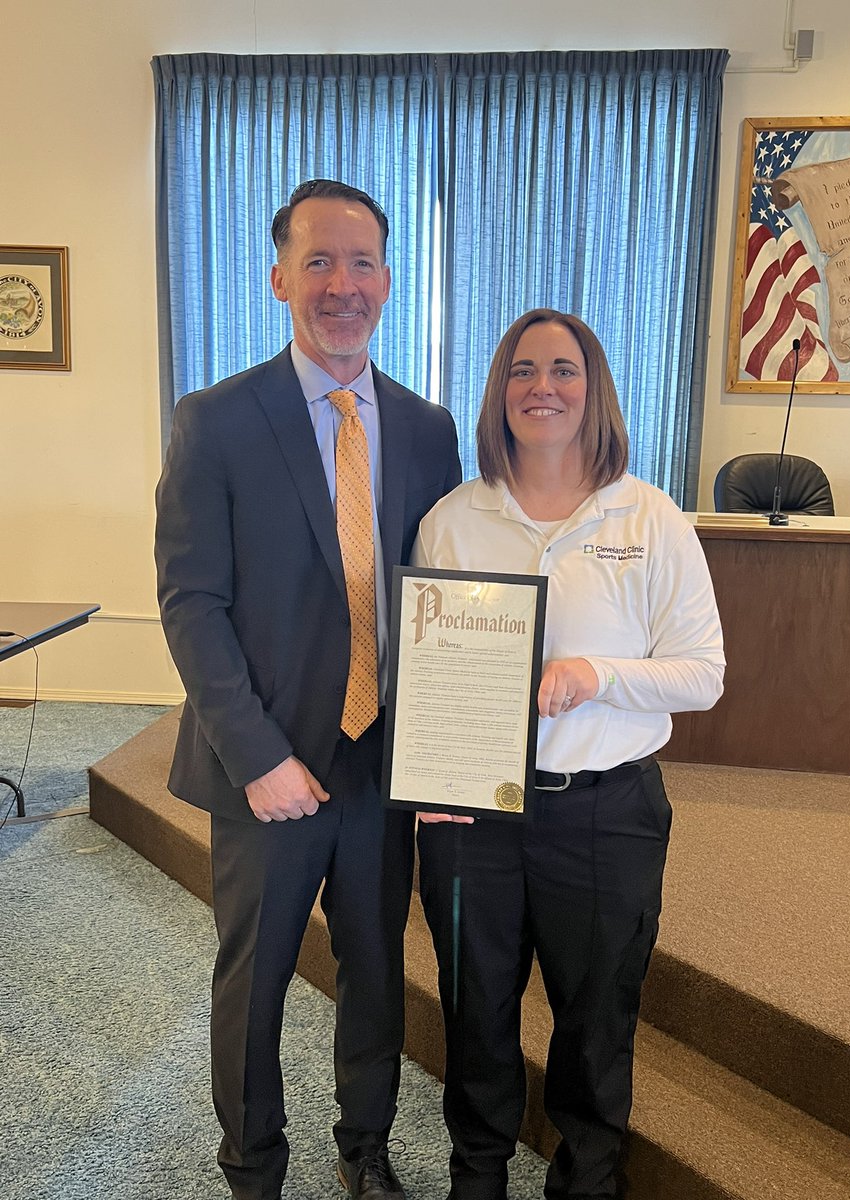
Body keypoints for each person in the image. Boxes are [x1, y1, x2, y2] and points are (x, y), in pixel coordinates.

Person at [154, 179, 461, 1200]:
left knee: (376, 972)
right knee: (256, 984)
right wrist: (258, 756)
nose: (342, 285)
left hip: (382, 763)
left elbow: (443, 597)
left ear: (387, 279)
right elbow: (193, 603)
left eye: (362, 262)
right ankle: (253, 1168)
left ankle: (364, 1150)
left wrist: (459, 745)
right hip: (269, 768)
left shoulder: (427, 428)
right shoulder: (216, 422)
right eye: (319, 262)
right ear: (279, 275)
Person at [413, 309, 724, 1199]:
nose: (541, 387)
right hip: (473, 816)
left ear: (595, 392)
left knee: (594, 1023)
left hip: (605, 812)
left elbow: (702, 674)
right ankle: (476, 1178)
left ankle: (585, 1184)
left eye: (563, 369)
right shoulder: (453, 522)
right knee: (476, 1014)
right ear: (498, 391)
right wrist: (431, 771)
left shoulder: (652, 518)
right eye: (521, 370)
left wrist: (598, 673)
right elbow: (420, 667)